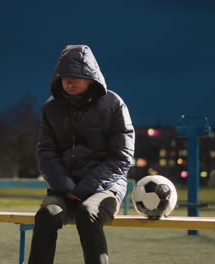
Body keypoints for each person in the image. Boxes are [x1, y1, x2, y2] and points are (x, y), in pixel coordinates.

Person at [28, 45, 135, 264]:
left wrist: (85, 187)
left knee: (88, 213)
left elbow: (122, 156)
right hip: (65, 187)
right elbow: (46, 152)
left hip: (106, 187)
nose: (70, 81)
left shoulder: (114, 104)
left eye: (76, 76)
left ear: (91, 77)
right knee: (46, 215)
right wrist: (66, 185)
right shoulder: (51, 108)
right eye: (65, 76)